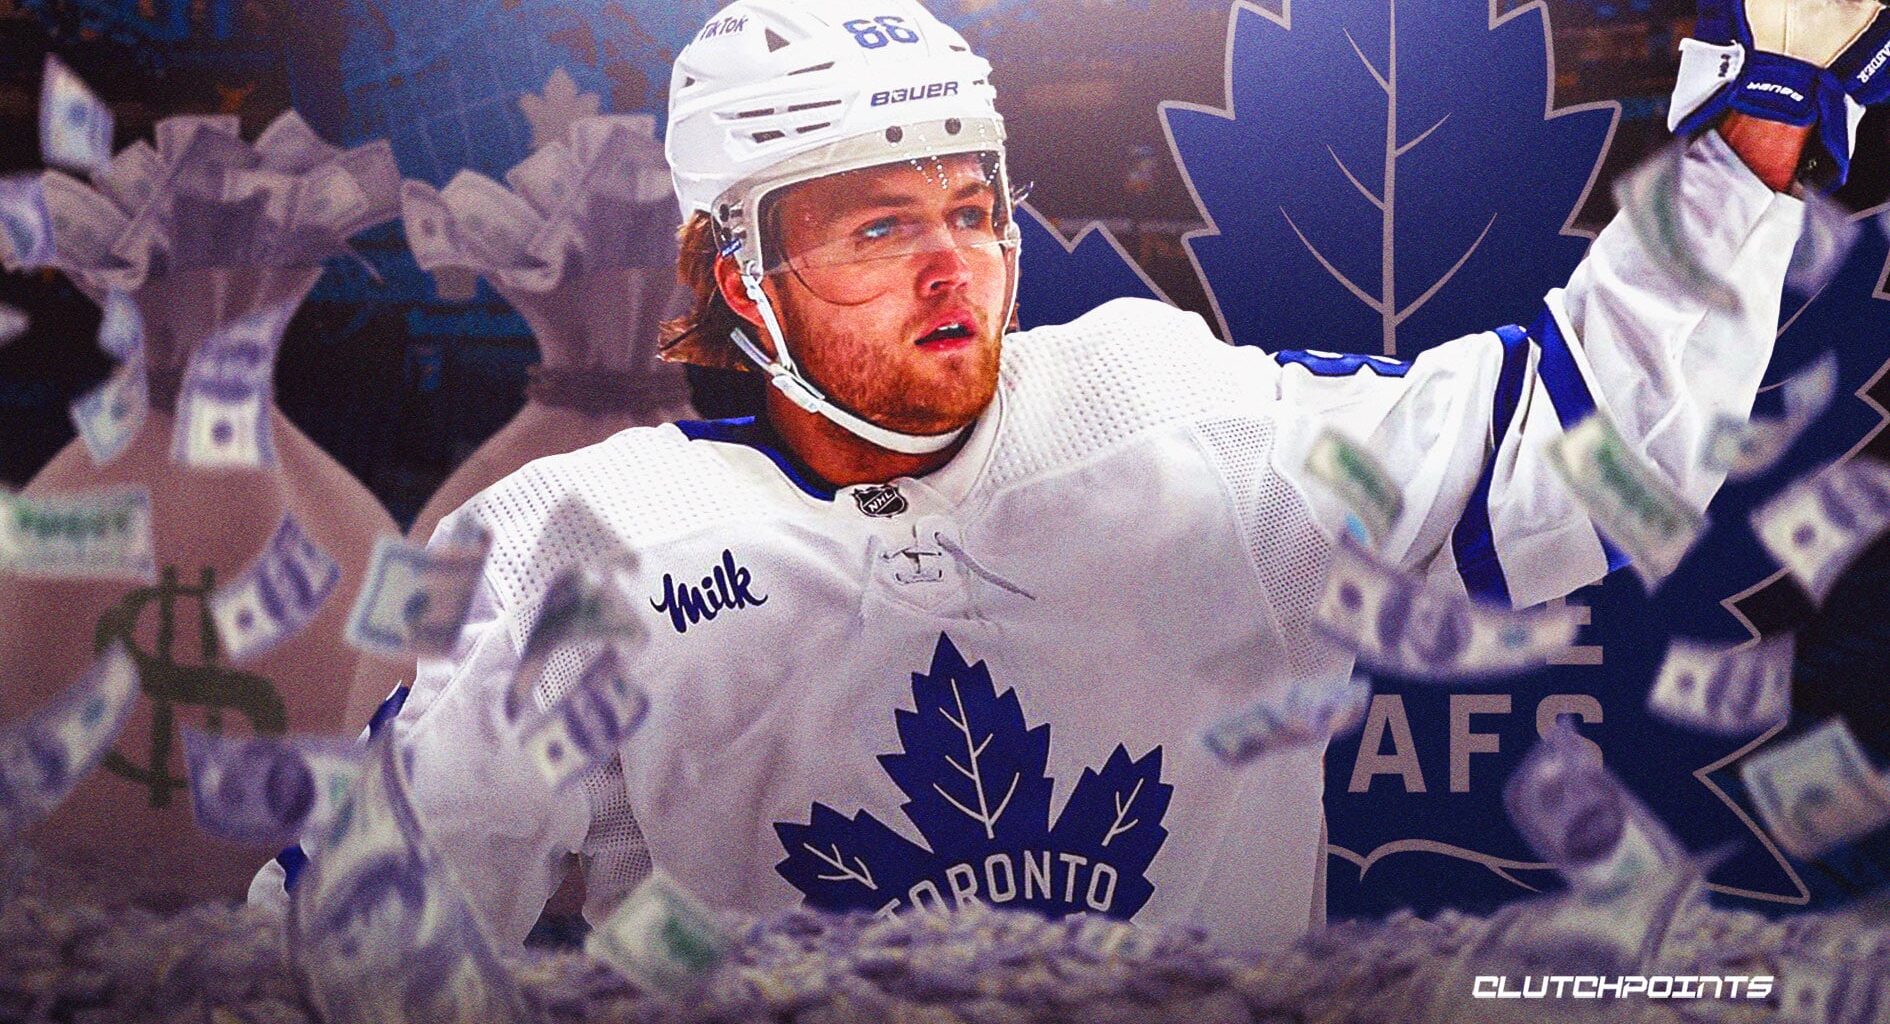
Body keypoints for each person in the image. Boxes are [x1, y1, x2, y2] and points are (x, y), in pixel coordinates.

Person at [254, 0, 1884, 951]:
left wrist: (1755, 120)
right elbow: (358, 952)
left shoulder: (1165, 417)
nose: (952, 268)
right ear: (725, 268)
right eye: (877, 226)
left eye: (970, 208)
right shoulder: (574, 540)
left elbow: (1580, 458)